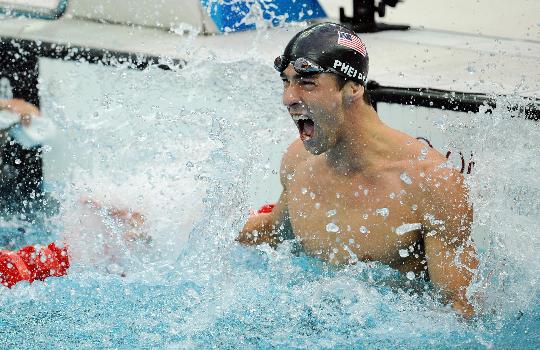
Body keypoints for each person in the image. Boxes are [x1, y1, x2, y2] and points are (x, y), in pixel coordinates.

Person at [237, 23, 479, 318]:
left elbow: (460, 311)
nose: (289, 97)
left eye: (307, 82)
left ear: (353, 88)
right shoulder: (297, 161)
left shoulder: (429, 182)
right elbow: (276, 231)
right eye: (286, 82)